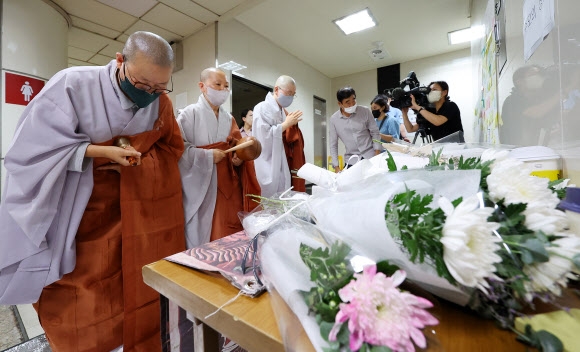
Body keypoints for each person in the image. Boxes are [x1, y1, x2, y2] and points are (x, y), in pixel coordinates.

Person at [0, 31, 185, 351]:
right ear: (120, 61)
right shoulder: (71, 85)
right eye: (142, 85)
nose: (150, 94)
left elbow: (172, 149)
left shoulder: (160, 103)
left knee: (135, 294)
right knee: (79, 306)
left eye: (159, 88)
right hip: (77, 217)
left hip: (135, 217)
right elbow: (30, 151)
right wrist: (100, 153)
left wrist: (138, 164)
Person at [177, 68, 260, 248]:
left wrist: (237, 159)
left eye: (226, 86)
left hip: (225, 186)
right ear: (202, 86)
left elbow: (235, 147)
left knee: (224, 234)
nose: (223, 89)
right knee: (201, 236)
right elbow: (177, 149)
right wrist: (206, 155)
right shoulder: (189, 114)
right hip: (199, 186)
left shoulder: (228, 118)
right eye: (217, 84)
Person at [253, 75, 305, 197]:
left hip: (282, 160)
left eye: (293, 94)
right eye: (288, 93)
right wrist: (286, 124)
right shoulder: (261, 107)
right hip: (267, 163)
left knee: (283, 195)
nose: (291, 97)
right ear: (276, 90)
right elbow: (263, 138)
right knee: (268, 200)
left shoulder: (282, 111)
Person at [500, 65, 560, 146]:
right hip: (519, 153)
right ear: (519, 81)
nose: (538, 77)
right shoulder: (512, 101)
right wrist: (564, 92)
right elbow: (535, 113)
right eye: (533, 74)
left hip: (535, 150)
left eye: (540, 74)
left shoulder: (537, 100)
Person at [329, 86, 381, 172]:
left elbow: (375, 132)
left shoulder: (365, 111)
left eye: (353, 100)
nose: (352, 104)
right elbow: (333, 144)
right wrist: (336, 166)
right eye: (347, 102)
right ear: (340, 104)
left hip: (371, 156)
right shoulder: (334, 119)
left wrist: (377, 153)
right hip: (351, 160)